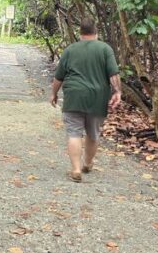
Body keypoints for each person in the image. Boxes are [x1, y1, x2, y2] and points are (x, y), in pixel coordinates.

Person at [50, 18, 122, 182]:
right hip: (97, 97)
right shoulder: (105, 49)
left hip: (74, 96)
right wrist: (117, 92)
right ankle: (88, 163)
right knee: (93, 133)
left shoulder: (70, 49)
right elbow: (113, 74)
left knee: (74, 133)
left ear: (80, 33)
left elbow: (58, 77)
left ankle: (76, 169)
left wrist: (53, 93)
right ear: (96, 32)